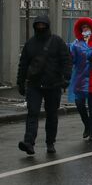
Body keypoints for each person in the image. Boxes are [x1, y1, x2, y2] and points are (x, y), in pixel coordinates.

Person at [16, 15, 72, 155]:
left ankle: (50, 142)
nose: (40, 27)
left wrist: (66, 77)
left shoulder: (57, 41)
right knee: (32, 113)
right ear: (35, 26)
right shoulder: (30, 44)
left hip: (53, 84)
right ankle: (29, 142)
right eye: (38, 25)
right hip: (34, 85)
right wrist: (20, 82)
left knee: (52, 115)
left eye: (43, 25)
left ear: (47, 25)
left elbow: (66, 60)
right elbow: (23, 65)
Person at [68, 17, 92, 142]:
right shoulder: (76, 43)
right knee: (79, 104)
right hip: (80, 78)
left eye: (87, 27)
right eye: (83, 28)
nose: (85, 30)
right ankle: (87, 125)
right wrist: (68, 54)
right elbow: (72, 59)